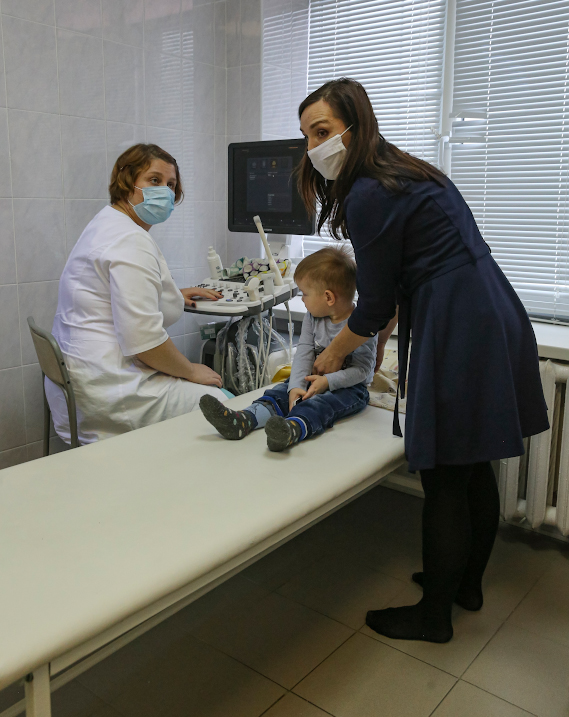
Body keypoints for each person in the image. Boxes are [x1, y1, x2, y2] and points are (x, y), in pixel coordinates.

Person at [296, 78, 549, 644]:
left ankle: (433, 617)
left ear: (354, 127)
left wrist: (331, 355)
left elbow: (373, 304)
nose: (313, 148)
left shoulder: (368, 193)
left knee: (445, 479)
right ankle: (464, 586)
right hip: (489, 308)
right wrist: (379, 342)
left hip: (461, 323)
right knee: (473, 464)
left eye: (322, 131)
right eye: (307, 136)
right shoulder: (407, 173)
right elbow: (393, 290)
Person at [46, 143, 228, 445]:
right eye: (154, 180)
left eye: (171, 185)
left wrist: (170, 294)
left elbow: (110, 292)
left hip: (82, 382)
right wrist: (190, 370)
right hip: (113, 392)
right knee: (223, 404)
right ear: (127, 181)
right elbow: (144, 341)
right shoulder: (130, 240)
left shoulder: (106, 223)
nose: (165, 192)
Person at [199, 246, 377, 451]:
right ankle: (243, 420)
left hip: (349, 388)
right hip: (313, 379)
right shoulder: (313, 317)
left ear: (328, 297)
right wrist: (296, 386)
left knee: (322, 404)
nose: (302, 299)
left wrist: (328, 382)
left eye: (305, 294)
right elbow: (304, 352)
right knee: (279, 392)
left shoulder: (363, 326)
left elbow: (363, 371)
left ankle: (291, 429)